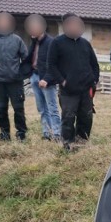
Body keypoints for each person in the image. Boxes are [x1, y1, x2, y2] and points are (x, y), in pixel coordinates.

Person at [43, 13, 99, 152]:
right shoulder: (57, 43)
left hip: (86, 89)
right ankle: (68, 144)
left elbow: (94, 63)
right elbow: (51, 65)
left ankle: (82, 142)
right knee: (68, 118)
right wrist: (62, 81)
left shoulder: (85, 43)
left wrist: (95, 79)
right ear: (66, 26)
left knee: (86, 117)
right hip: (68, 90)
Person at [0, 12, 28, 141]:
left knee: (18, 109)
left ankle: (21, 134)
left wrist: (22, 74)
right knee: (1, 109)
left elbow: (26, 59)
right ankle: (4, 134)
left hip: (15, 82)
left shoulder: (17, 39)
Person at [24, 14, 61, 141]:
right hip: (34, 76)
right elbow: (30, 59)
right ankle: (47, 133)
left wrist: (46, 79)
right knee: (41, 108)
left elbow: (54, 63)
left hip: (47, 79)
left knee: (52, 108)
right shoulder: (34, 42)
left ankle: (57, 134)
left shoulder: (51, 42)